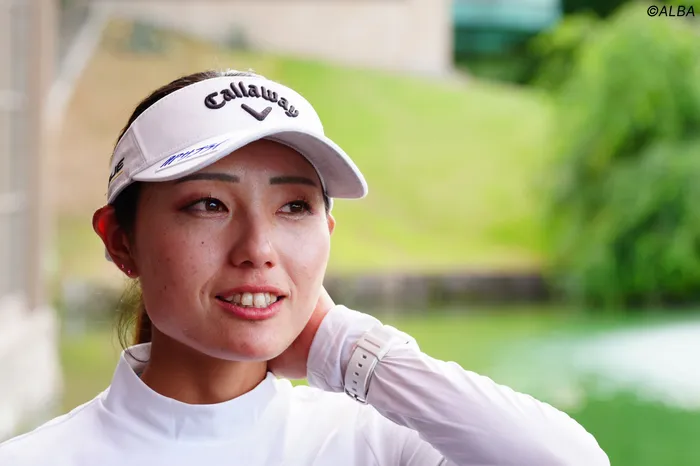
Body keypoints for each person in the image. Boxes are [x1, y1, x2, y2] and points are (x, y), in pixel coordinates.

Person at [0, 69, 609, 466]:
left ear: (328, 234)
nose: (258, 248)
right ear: (120, 241)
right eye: (209, 204)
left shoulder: (372, 442)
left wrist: (346, 351)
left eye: (294, 207)